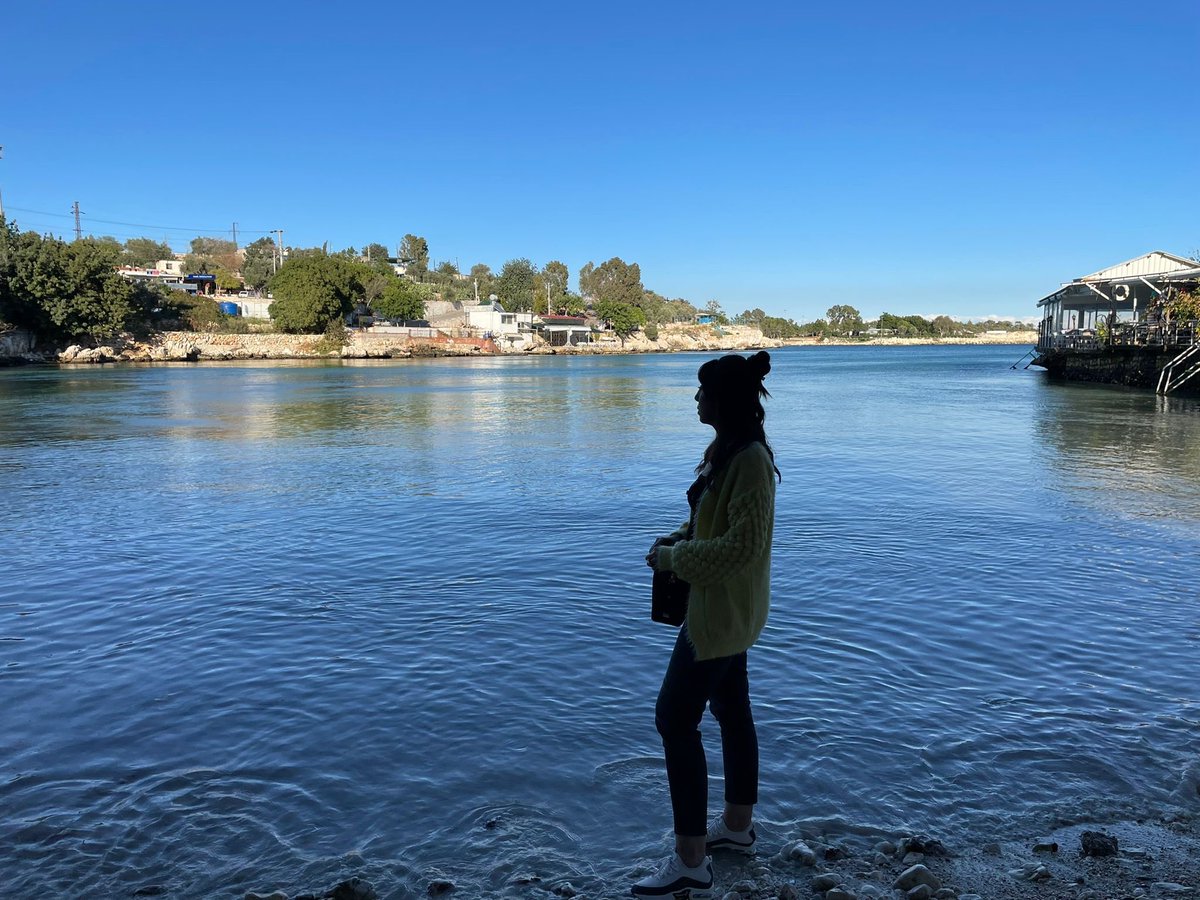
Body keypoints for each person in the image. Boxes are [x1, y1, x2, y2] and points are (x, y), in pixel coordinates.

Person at [634, 351, 780, 899]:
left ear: (724, 401)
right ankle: (737, 830)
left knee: (674, 721)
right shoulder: (729, 453)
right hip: (733, 614)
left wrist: (675, 561)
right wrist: (676, 539)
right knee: (733, 713)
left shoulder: (750, 463)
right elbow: (707, 524)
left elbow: (738, 550)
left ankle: (691, 859)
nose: (695, 400)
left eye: (702, 392)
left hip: (717, 617)